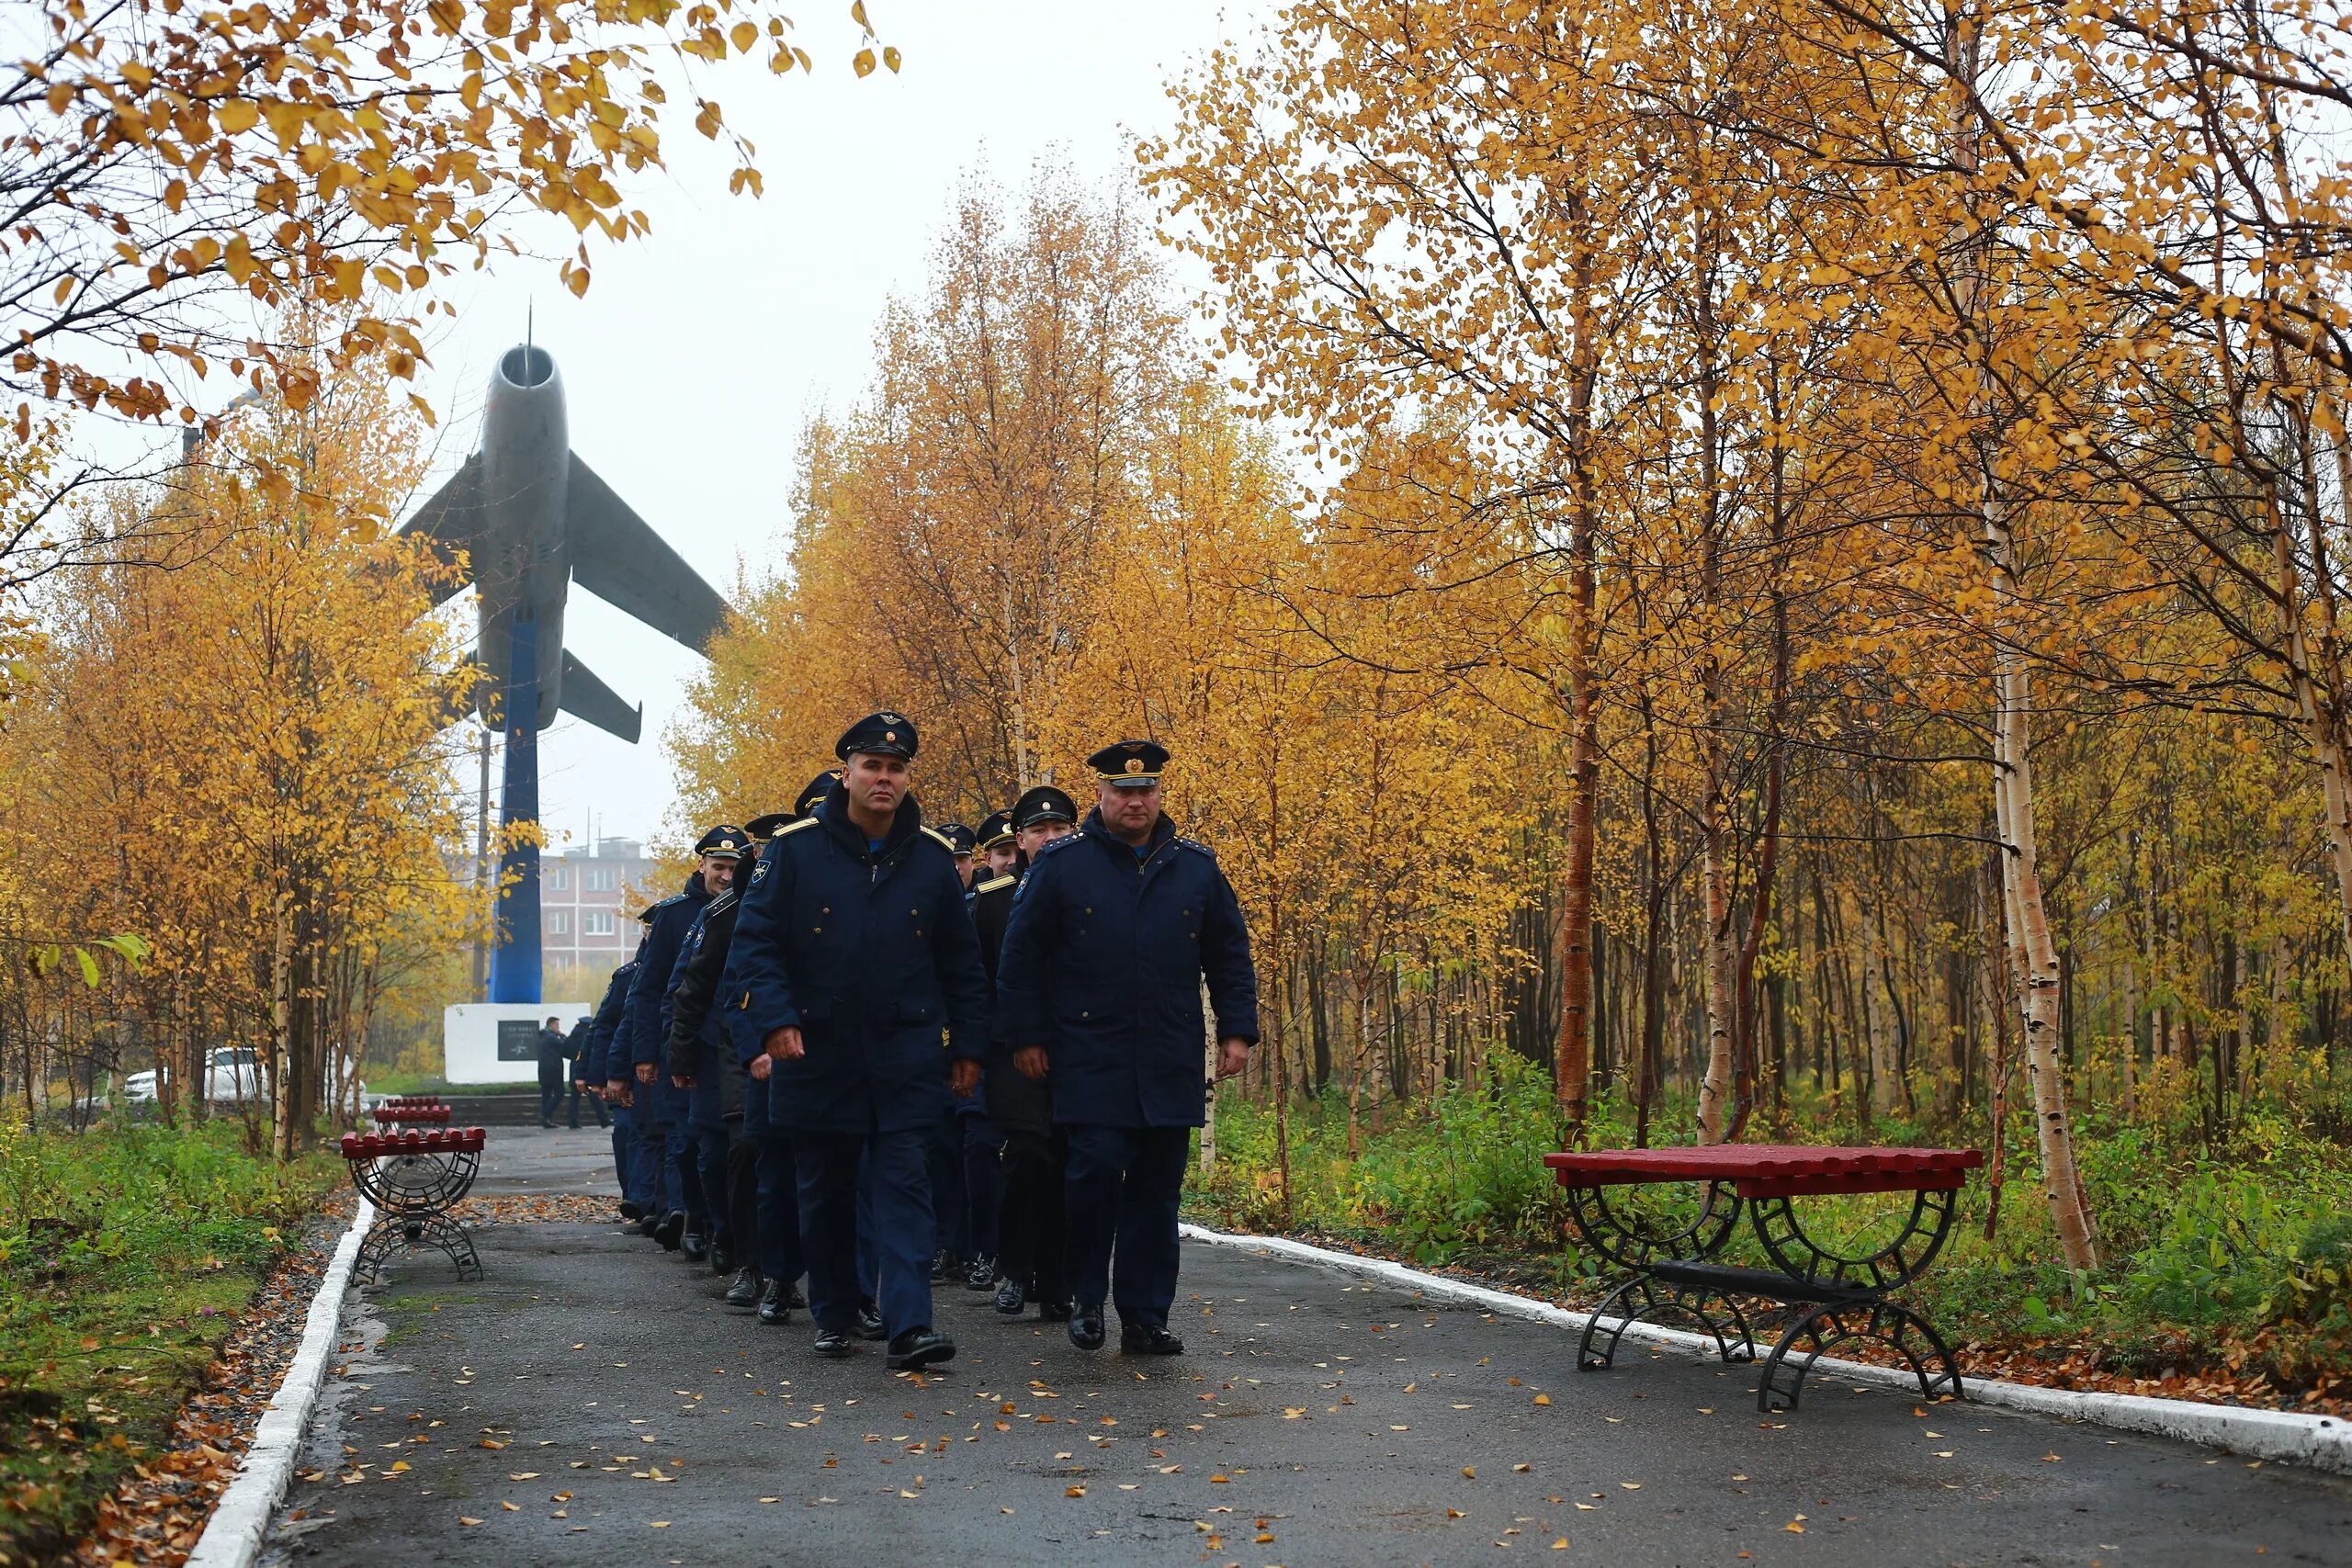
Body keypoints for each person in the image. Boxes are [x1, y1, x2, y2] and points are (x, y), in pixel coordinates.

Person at [728, 711, 989, 1370]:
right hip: (817, 1052)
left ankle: (909, 1324)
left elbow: (963, 964)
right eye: (871, 765)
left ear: (906, 777)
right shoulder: (794, 849)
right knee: (826, 1192)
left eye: (895, 767)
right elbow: (755, 944)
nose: (883, 777)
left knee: (905, 1184)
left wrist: (970, 1047)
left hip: (904, 1054)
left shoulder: (931, 859)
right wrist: (776, 1019)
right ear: (847, 772)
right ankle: (836, 1311)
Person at [995, 739, 1259, 1355]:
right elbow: (1020, 957)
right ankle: (1086, 1295)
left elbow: (1228, 951)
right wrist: (1025, 1036)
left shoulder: (1194, 866)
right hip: (1089, 1055)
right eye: (1122, 790)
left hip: (1168, 1055)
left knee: (1155, 1189)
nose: (1135, 801)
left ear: (1159, 795)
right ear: (1101, 795)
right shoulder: (1062, 864)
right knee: (1091, 1177)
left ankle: (1145, 1315)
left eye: (1145, 791)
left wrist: (1236, 1030)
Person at [976, 782, 1078, 1318]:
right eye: (1040, 830)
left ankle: (1056, 1280)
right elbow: (976, 980)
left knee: (1065, 1159)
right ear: (1020, 840)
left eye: (1060, 828)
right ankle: (1014, 1269)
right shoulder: (992, 903)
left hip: (1076, 1047)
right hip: (1012, 1050)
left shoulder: (1087, 891)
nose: (1051, 837)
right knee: (1027, 1156)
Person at [623, 826, 745, 1251]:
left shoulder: (754, 906)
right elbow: (650, 989)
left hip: (732, 1046)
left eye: (734, 868)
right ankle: (693, 1214)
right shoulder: (673, 916)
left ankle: (723, 1229)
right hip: (687, 1046)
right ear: (702, 865)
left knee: (730, 1146)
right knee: (690, 1142)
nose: (726, 876)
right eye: (719, 867)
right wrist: (646, 1054)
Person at [566, 1014, 606, 1129]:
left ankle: (572, 1121)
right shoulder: (587, 1036)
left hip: (574, 1069)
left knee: (574, 1098)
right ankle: (603, 1119)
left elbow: (564, 1051)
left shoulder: (572, 1036)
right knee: (594, 1096)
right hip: (586, 1069)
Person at [536, 1014, 569, 1128]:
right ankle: (545, 1114)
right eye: (557, 1025)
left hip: (543, 1069)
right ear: (552, 1024)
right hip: (554, 1069)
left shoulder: (542, 1036)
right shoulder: (552, 1037)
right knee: (560, 1093)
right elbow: (565, 1045)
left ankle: (546, 1120)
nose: (558, 1028)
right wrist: (562, 1036)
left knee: (546, 1095)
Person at [977, 809, 1017, 880]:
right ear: (989, 859)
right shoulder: (979, 890)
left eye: (1020, 853)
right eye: (1004, 854)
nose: (1013, 861)